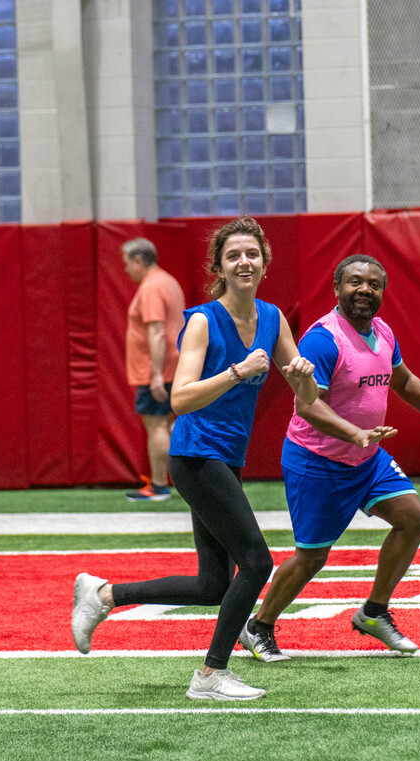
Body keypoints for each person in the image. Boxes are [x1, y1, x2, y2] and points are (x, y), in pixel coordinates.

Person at [71, 217, 318, 701]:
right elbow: (181, 398)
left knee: (212, 586)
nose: (244, 262)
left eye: (252, 254)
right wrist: (237, 371)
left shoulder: (273, 319)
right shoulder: (203, 320)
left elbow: (305, 394)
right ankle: (210, 675)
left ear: (265, 263)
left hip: (226, 459)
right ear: (220, 267)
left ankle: (102, 596)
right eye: (233, 256)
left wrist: (307, 375)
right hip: (194, 456)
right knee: (255, 562)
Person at [237, 254, 420, 662]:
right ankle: (258, 626)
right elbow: (307, 406)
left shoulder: (383, 331)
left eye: (373, 284)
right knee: (313, 556)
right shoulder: (323, 339)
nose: (364, 290)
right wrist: (355, 434)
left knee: (414, 520)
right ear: (337, 288)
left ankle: (373, 612)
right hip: (318, 461)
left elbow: (403, 380)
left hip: (367, 458)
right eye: (354, 282)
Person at [121, 237, 186, 501]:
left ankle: (159, 486)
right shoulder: (168, 281)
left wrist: (156, 374)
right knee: (169, 425)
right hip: (171, 364)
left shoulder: (151, 287)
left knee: (157, 424)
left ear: (139, 260)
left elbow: (157, 332)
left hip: (157, 369)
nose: (126, 270)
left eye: (127, 264)